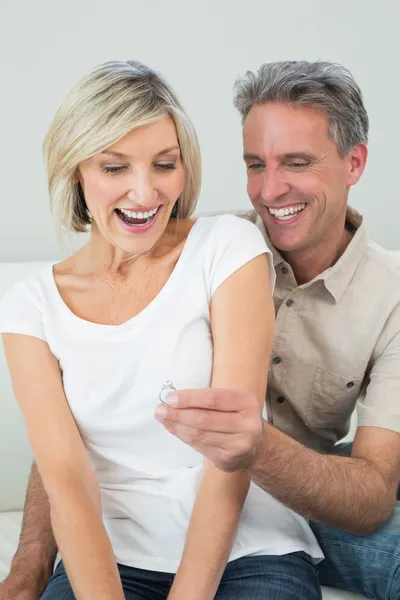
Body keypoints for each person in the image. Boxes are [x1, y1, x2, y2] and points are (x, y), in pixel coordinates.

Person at [0, 60, 323, 600]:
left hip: (248, 549)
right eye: (114, 168)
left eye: (164, 165)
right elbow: (68, 483)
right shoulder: (30, 308)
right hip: (112, 555)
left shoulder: (227, 250)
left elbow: (229, 456)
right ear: (75, 168)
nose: (145, 193)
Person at [154, 61, 400, 600]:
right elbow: (79, 402)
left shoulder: (393, 297)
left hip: (300, 495)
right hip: (177, 494)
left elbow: (373, 493)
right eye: (254, 164)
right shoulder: (193, 250)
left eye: (296, 162)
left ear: (353, 162)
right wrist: (30, 564)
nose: (269, 190)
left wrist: (254, 448)